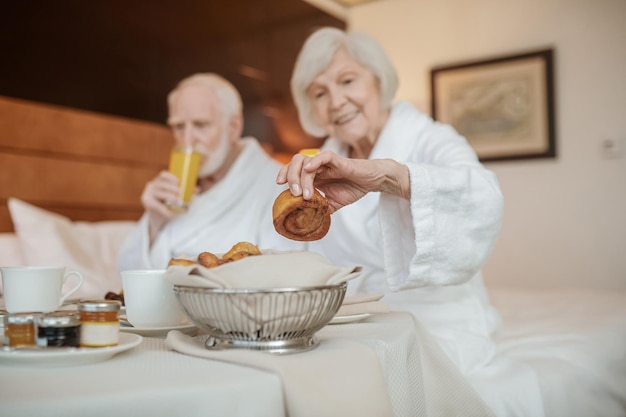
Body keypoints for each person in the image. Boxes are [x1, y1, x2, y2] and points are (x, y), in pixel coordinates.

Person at [277, 27, 504, 374]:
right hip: (349, 320)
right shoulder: (319, 164)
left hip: (432, 319)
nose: (336, 101)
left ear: (379, 81)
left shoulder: (432, 138)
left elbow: (481, 198)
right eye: (320, 92)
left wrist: (391, 178)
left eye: (348, 81)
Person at [118, 73, 298, 271]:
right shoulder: (176, 190)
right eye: (179, 126)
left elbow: (280, 273)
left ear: (234, 127)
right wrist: (154, 220)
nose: (187, 140)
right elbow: (127, 275)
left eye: (200, 125)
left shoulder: (274, 185)